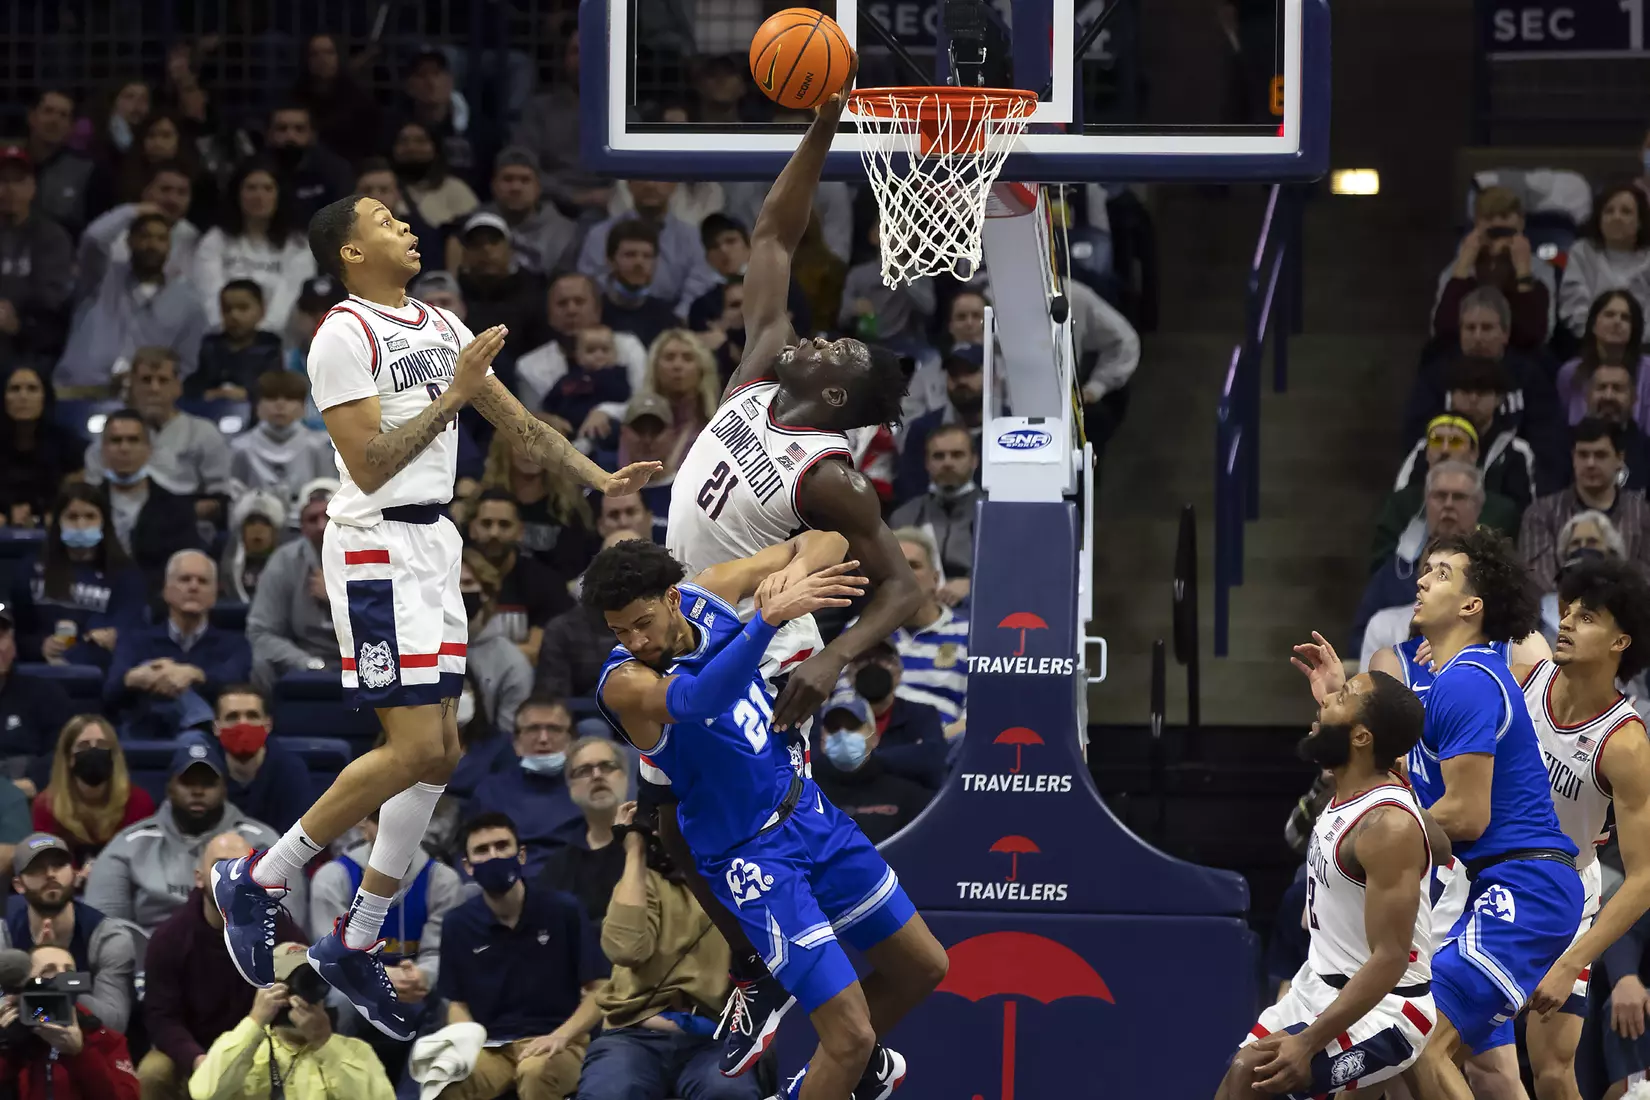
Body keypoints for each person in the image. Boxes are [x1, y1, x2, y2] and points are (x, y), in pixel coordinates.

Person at [212, 190, 658, 1040]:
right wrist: (452, 396)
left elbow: (522, 428)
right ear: (350, 252)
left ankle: (357, 938)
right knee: (414, 747)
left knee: (444, 752)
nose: (406, 228)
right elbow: (370, 465)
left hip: (434, 543)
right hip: (375, 544)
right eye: (385, 222)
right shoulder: (343, 334)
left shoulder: (442, 324)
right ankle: (261, 877)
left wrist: (597, 477)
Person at [588, 534, 948, 1099]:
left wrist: (792, 576)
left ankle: (828, 1075)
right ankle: (835, 1059)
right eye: (619, 631)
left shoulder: (709, 592)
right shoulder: (623, 682)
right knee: (850, 1037)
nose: (636, 641)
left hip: (807, 809)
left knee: (924, 967)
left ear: (673, 598)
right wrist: (767, 619)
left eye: (642, 623)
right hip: (752, 857)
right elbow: (697, 700)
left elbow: (827, 540)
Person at [1292, 529, 1586, 1099]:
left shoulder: (1469, 681)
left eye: (1442, 574)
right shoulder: (1450, 684)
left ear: (1472, 606)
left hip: (1525, 885)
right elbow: (1390, 773)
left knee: (1418, 1040)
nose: (1423, 581)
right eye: (1425, 571)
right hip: (1491, 884)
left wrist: (1375, 828)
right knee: (1407, 1049)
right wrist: (1336, 704)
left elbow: (1467, 816)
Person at [1464, 558, 1650, 1100]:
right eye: (1568, 611)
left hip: (1564, 895)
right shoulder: (1528, 675)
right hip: (1487, 875)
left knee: (1551, 1070)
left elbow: (1642, 879)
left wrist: (1573, 961)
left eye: (1587, 618)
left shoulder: (1625, 744)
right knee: (1438, 1046)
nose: (1565, 622)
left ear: (1620, 641)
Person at [1216, 671, 1442, 1098]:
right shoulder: (1349, 790)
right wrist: (1334, 711)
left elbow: (1391, 958)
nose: (1326, 701)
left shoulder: (1387, 826)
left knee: (1251, 1073)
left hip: (1389, 1008)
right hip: (1319, 984)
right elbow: (1442, 846)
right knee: (1236, 1076)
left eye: (1344, 696)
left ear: (1361, 737)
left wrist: (1307, 1042)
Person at [560, 800, 762, 1100]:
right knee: (609, 1092)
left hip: (713, 1039)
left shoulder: (738, 885)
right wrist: (634, 852)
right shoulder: (644, 882)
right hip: (632, 1034)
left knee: (730, 1093)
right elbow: (625, 949)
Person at [437, 812, 599, 1100]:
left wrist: (561, 1036)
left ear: (521, 855)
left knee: (535, 1072)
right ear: (468, 866)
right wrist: (466, 1042)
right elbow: (456, 1003)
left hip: (560, 1040)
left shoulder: (564, 910)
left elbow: (600, 991)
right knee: (443, 1079)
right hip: (492, 1048)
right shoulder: (457, 924)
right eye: (482, 850)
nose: (494, 856)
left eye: (502, 846)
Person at [139, 833, 306, 1100]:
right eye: (221, 866)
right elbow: (162, 1018)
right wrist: (197, 1059)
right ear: (199, 877)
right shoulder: (170, 939)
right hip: (195, 1047)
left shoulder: (281, 930)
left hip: (258, 1044)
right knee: (153, 1071)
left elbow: (303, 1000)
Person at [88, 736, 288, 937]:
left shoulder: (263, 843)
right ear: (169, 788)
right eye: (187, 782)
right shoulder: (129, 845)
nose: (197, 791)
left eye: (208, 783)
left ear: (224, 789)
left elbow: (285, 926)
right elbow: (101, 931)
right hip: (149, 952)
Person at [309, 808, 464, 1063]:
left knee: (451, 999)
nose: (397, 831)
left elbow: (439, 952)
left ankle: (421, 1084)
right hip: (356, 986)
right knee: (338, 998)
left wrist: (422, 976)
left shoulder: (442, 879)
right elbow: (331, 957)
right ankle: (338, 1076)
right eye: (383, 822)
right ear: (364, 826)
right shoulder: (333, 877)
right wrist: (381, 977)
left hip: (415, 985)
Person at [191, 940, 396, 1099]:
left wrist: (325, 1043)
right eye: (293, 983)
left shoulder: (356, 1052)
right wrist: (256, 1020)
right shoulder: (245, 1047)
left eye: (310, 984)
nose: (302, 996)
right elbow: (204, 1093)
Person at [103, 550, 251, 740]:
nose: (193, 587)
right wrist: (135, 678)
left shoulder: (235, 644)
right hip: (144, 735)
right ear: (166, 590)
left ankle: (198, 724)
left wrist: (194, 675)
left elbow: (235, 686)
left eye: (202, 581)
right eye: (185, 579)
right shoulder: (135, 639)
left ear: (214, 595)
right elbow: (110, 694)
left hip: (209, 743)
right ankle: (198, 720)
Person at [1, 832, 138, 1032]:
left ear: (73, 874)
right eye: (37, 868)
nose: (50, 874)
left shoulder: (109, 938)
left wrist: (55, 981)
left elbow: (114, 1023)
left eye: (58, 865)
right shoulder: (5, 934)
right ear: (19, 885)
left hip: (91, 1047)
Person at [55, 212, 208, 388]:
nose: (152, 245)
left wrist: (152, 386)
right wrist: (135, 210)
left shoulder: (188, 302)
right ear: (129, 241)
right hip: (78, 390)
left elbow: (186, 365)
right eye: (145, 236)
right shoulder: (99, 278)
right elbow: (94, 238)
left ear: (169, 246)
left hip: (141, 398)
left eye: (161, 239)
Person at [0, 942, 140, 1100]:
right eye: (48, 971)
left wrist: (80, 1054)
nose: (62, 977)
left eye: (69, 971)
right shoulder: (12, 1033)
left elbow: (127, 1096)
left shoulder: (104, 1038)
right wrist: (6, 1048)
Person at [1523, 419, 1650, 591]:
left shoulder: (1643, 515)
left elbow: (1645, 582)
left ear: (1620, 459)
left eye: (1600, 455)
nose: (1590, 463)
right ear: (1573, 458)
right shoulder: (1541, 514)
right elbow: (1539, 582)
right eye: (1583, 455)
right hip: (1559, 607)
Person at [193, 159, 315, 336]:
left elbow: (290, 295)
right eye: (251, 188)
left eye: (267, 189)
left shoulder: (298, 245)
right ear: (237, 194)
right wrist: (228, 328)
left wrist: (263, 334)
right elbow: (209, 294)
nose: (259, 196)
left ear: (279, 195)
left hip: (278, 339)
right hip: (222, 335)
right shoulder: (215, 240)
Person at [466, 696, 580, 874]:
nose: (543, 739)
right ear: (516, 743)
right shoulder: (490, 791)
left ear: (571, 741)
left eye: (554, 729)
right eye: (533, 729)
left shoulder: (588, 787)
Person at [246, 479, 341, 692]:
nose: (322, 526)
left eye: (329, 516)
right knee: (261, 661)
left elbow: (390, 629)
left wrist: (338, 599)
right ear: (302, 527)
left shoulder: (375, 555)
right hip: (305, 658)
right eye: (312, 519)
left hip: (364, 658)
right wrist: (309, 664)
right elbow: (261, 632)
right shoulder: (284, 561)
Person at [31, 715, 156, 868]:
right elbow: (48, 864)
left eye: (102, 745)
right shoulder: (46, 805)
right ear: (69, 758)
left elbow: (144, 862)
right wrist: (75, 875)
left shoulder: (138, 801)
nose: (93, 751)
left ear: (113, 756)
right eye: (84, 746)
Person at [811, 698, 933, 845]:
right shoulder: (805, 797)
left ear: (875, 737)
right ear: (822, 741)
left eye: (853, 727)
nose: (842, 735)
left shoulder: (909, 797)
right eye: (833, 728)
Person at [829, 640, 948, 791]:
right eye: (863, 659)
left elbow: (933, 758)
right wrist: (902, 756)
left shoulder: (922, 714)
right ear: (849, 675)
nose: (873, 665)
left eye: (883, 659)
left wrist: (867, 761)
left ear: (898, 673)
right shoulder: (833, 716)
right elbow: (817, 763)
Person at [468, 489, 569, 665]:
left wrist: (472, 655)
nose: (494, 533)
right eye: (486, 524)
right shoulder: (452, 578)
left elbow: (536, 652)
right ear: (472, 529)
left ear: (520, 531)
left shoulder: (544, 582)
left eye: (504, 525)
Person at [537, 736, 629, 921]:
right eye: (584, 770)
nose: (597, 775)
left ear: (625, 777)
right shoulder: (559, 867)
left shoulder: (657, 841)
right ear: (570, 788)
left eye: (607, 766)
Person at [0, 149, 75, 370]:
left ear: (33, 187)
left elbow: (51, 299)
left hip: (34, 341)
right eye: (3, 181)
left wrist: (17, 321)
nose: (10, 189)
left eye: (18, 181)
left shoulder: (52, 236)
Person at [890, 424, 983, 597]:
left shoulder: (993, 513)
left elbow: (1007, 570)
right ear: (927, 463)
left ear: (974, 461)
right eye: (939, 456)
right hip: (919, 603)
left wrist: (975, 584)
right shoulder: (904, 516)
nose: (947, 463)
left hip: (977, 601)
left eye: (957, 455)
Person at [212, 685, 311, 836]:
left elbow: (298, 839)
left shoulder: (291, 771)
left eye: (252, 716)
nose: (243, 724)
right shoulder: (206, 769)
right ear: (216, 727)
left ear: (268, 725)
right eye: (232, 717)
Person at [456, 550, 535, 739]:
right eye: (449, 583)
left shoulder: (511, 662)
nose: (458, 591)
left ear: (486, 592)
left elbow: (507, 737)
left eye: (467, 583)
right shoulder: (418, 649)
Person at [1558, 185, 1650, 340]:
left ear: (1640, 221)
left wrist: (1631, 341)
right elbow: (1573, 305)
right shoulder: (1582, 252)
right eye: (1609, 211)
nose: (1616, 217)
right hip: (1591, 342)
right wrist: (1603, 336)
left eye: (1626, 212)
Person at [0, 609, 74, 799]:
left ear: (13, 643)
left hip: (30, 801)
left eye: (2, 636)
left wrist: (34, 783)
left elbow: (64, 750)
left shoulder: (46, 695)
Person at [227, 370, 334, 500]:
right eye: (271, 398)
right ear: (257, 406)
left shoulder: (319, 445)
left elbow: (328, 489)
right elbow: (235, 494)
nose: (280, 405)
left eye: (289, 399)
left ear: (303, 407)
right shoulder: (240, 447)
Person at [190, 282, 285, 400]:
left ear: (261, 311)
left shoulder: (270, 347)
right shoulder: (211, 345)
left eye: (243, 308)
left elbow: (274, 387)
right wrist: (206, 393)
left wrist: (248, 394)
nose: (234, 315)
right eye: (227, 309)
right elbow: (196, 382)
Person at [23, 89, 93, 235]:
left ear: (72, 127)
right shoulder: (7, 163)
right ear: (32, 117)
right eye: (48, 111)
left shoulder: (89, 171)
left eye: (63, 115)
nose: (54, 121)